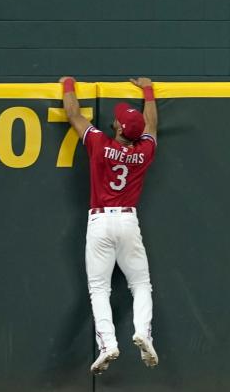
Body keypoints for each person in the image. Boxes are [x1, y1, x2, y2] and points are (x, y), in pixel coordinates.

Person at [59, 75, 159, 375]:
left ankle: (108, 345)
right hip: (128, 221)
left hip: (100, 221)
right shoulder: (144, 151)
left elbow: (74, 114)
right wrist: (149, 90)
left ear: (117, 128)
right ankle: (143, 332)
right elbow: (152, 126)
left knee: (99, 289)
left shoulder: (99, 143)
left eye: (117, 120)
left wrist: (68, 85)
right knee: (140, 284)